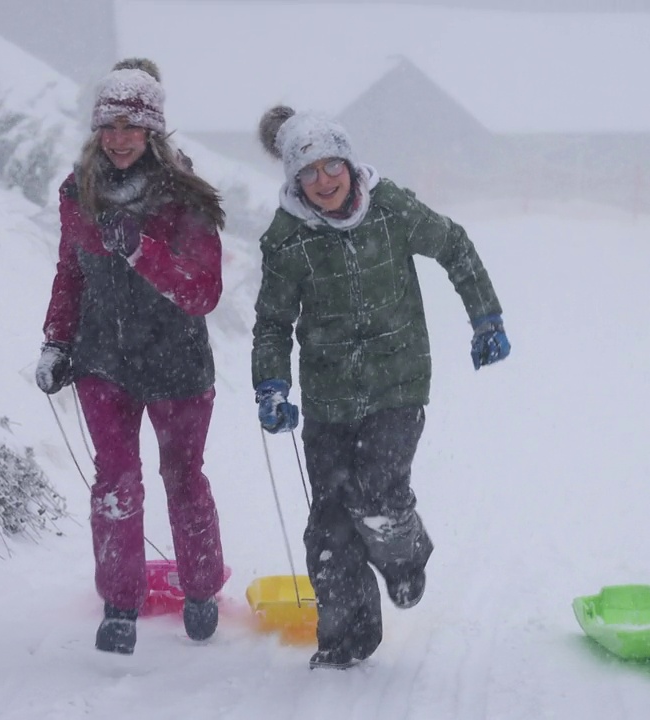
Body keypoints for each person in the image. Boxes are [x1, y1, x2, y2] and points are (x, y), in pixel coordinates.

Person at [250, 105, 511, 670]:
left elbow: (455, 245)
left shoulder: (389, 208)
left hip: (398, 384)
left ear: (348, 161)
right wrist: (270, 383)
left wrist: (485, 317)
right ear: (295, 180)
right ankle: (348, 640)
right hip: (328, 396)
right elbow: (273, 321)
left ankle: (406, 557)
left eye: (330, 165)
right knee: (329, 523)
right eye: (309, 171)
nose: (323, 180)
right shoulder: (287, 237)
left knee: (375, 492)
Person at [35, 58, 228, 655]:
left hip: (177, 362)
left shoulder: (184, 196)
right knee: (114, 482)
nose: (118, 139)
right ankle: (119, 602)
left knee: (182, 477)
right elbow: (71, 272)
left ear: (152, 131)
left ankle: (200, 590)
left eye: (131, 126)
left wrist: (143, 251)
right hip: (103, 360)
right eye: (109, 127)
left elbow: (204, 292)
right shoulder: (78, 190)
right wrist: (56, 340)